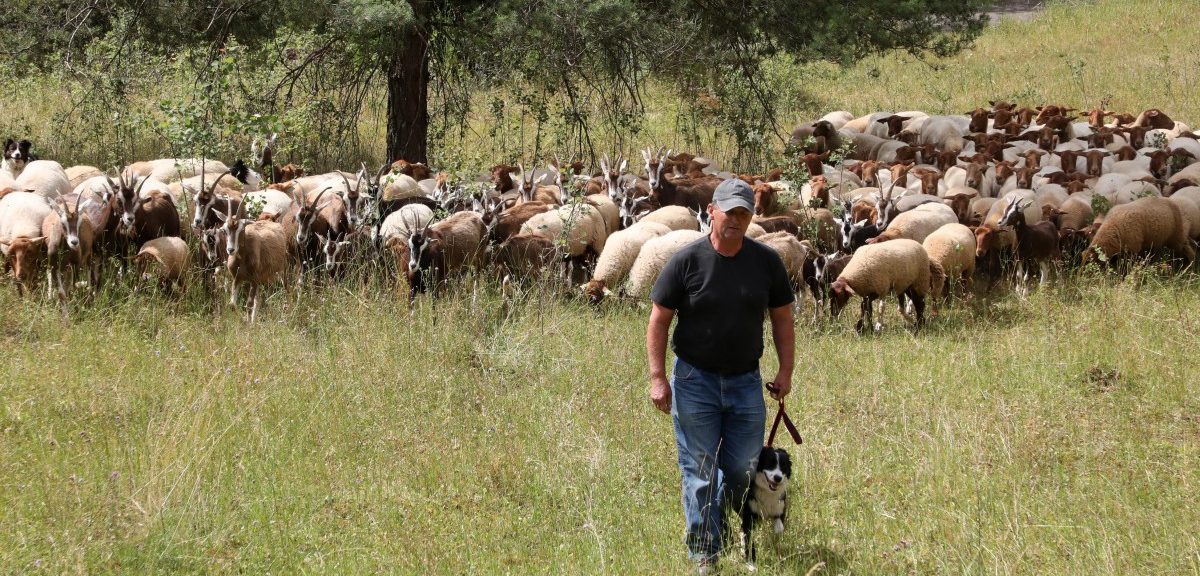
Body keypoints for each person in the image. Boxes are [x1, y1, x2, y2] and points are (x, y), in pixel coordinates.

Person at [646, 177, 795, 569]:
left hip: (746, 382)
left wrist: (785, 370)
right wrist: (658, 378)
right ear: (712, 211)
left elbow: (782, 319)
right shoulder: (687, 260)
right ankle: (705, 551)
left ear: (751, 218)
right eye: (729, 212)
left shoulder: (766, 262)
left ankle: (730, 522)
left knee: (743, 468)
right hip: (695, 381)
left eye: (744, 213)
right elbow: (659, 319)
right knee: (699, 470)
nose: (736, 220)